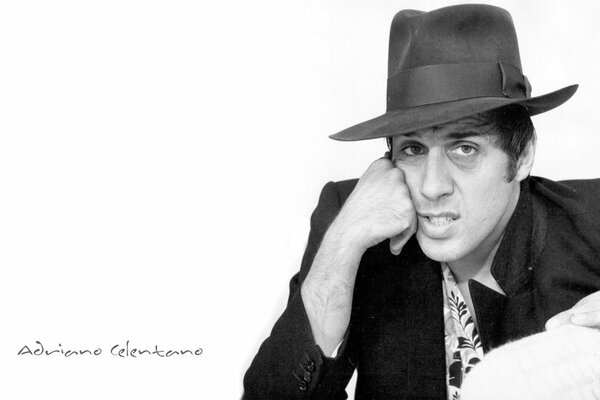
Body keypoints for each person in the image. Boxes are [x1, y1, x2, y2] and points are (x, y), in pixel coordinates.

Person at [243, 4, 600, 400]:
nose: (431, 187)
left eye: (464, 148)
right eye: (412, 149)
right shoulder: (354, 220)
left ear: (523, 155)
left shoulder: (592, 221)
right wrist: (342, 244)